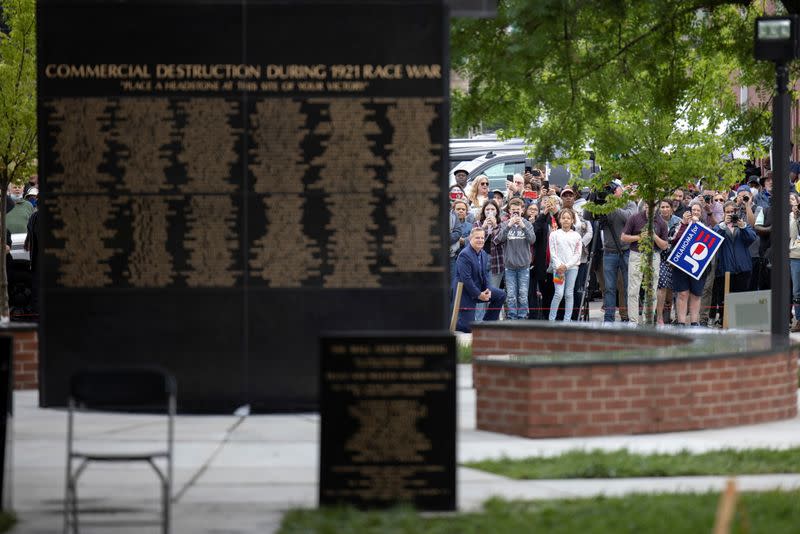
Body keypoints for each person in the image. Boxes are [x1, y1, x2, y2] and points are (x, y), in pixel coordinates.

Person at [589, 180, 637, 322]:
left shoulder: (630, 203)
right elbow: (588, 216)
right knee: (609, 288)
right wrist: (592, 197)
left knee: (628, 286)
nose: (613, 191)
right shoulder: (603, 203)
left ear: (622, 190)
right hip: (609, 252)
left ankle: (628, 316)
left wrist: (613, 205)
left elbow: (629, 218)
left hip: (626, 251)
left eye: (615, 188)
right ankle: (608, 318)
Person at [621, 202, 669, 325]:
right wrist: (639, 237)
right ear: (644, 206)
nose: (650, 209)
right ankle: (633, 321)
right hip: (636, 254)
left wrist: (654, 236)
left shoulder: (662, 222)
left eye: (652, 206)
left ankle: (648, 320)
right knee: (633, 289)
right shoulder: (634, 218)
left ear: (657, 207)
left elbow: (664, 246)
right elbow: (623, 237)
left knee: (652, 289)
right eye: (647, 206)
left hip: (654, 255)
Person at [453, 227, 506, 333]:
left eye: (482, 238)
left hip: (479, 288)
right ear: (470, 239)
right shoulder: (464, 255)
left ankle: (487, 325)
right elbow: (466, 279)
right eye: (477, 238)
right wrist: (479, 294)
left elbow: (485, 274)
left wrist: (487, 289)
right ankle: (451, 323)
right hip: (465, 293)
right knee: (468, 328)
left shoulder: (483, 254)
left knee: (500, 295)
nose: (481, 240)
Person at [714, 201, 757, 324]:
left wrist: (743, 226)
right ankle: (725, 321)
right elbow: (714, 240)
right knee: (725, 298)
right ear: (723, 213)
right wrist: (723, 225)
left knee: (742, 297)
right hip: (725, 269)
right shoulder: (719, 226)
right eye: (728, 212)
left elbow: (752, 239)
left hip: (743, 268)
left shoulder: (743, 225)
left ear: (737, 212)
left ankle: (741, 321)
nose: (731, 214)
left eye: (733, 212)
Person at [495, 197, 535, 319]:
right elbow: (499, 239)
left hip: (524, 266)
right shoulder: (504, 224)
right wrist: (509, 225)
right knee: (511, 294)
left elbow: (532, 240)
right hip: (509, 266)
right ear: (509, 211)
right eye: (513, 210)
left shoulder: (527, 224)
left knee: (523, 294)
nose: (515, 212)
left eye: (518, 210)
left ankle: (522, 317)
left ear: (522, 210)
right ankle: (512, 317)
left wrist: (523, 226)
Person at [670, 203, 710, 326]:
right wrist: (684, 224)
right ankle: (681, 322)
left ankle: (694, 322)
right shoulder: (680, 225)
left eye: (698, 210)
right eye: (693, 210)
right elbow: (674, 239)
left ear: (701, 212)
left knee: (696, 294)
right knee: (682, 293)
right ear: (689, 211)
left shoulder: (706, 227)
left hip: (698, 265)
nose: (696, 212)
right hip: (681, 264)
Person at [473, 200, 505, 321]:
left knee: (493, 293)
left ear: (497, 211)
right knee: (482, 293)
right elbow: (476, 241)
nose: (490, 212)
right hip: (480, 262)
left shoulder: (502, 224)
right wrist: (484, 227)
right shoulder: (477, 224)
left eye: (492, 209)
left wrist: (495, 226)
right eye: (487, 210)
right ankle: (479, 322)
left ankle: (490, 323)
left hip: (496, 262)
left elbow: (499, 240)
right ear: (483, 211)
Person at [548, 208, 582, 321]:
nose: (566, 220)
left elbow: (577, 254)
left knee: (569, 293)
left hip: (572, 268)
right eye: (563, 218)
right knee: (558, 293)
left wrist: (566, 266)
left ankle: (567, 320)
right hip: (558, 269)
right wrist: (559, 266)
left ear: (572, 220)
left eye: (568, 218)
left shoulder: (577, 236)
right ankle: (551, 319)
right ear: (559, 220)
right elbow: (553, 251)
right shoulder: (554, 234)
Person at [449, 199, 473, 288]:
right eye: (458, 209)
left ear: (466, 212)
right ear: (453, 211)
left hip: (465, 260)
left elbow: (472, 241)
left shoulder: (470, 226)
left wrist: (463, 241)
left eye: (463, 209)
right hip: (452, 258)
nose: (461, 211)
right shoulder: (449, 224)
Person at [789, 193, 800, 332]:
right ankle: (798, 320)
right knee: (797, 292)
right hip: (796, 255)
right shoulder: (792, 216)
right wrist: (795, 217)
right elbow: (792, 235)